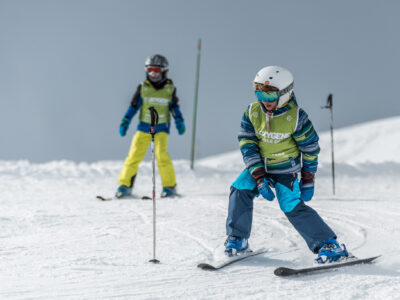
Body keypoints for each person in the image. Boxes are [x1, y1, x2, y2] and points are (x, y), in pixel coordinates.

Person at [224, 66, 349, 264]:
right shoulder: (252, 112)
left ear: (284, 94)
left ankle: (328, 244)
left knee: (290, 205)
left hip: (285, 170)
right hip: (260, 167)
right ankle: (238, 238)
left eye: (271, 96)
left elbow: (310, 149)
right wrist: (258, 176)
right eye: (260, 93)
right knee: (239, 189)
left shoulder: (297, 117)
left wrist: (308, 179)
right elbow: (247, 144)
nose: (265, 101)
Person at [116, 54, 185, 198]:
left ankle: (169, 187)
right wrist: (125, 121)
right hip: (144, 127)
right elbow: (134, 106)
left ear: (164, 71)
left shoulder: (169, 88)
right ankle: (125, 185)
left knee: (161, 155)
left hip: (161, 129)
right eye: (150, 70)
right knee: (134, 155)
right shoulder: (143, 87)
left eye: (156, 70)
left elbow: (174, 107)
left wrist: (179, 120)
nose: (153, 73)